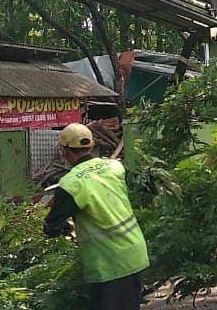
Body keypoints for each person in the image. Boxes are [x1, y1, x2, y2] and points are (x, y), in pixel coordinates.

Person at [44, 123, 149, 310]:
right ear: (91, 146)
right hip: (134, 252)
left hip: (109, 262)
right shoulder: (114, 167)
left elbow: (51, 227)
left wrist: (63, 228)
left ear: (64, 151)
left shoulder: (71, 184)